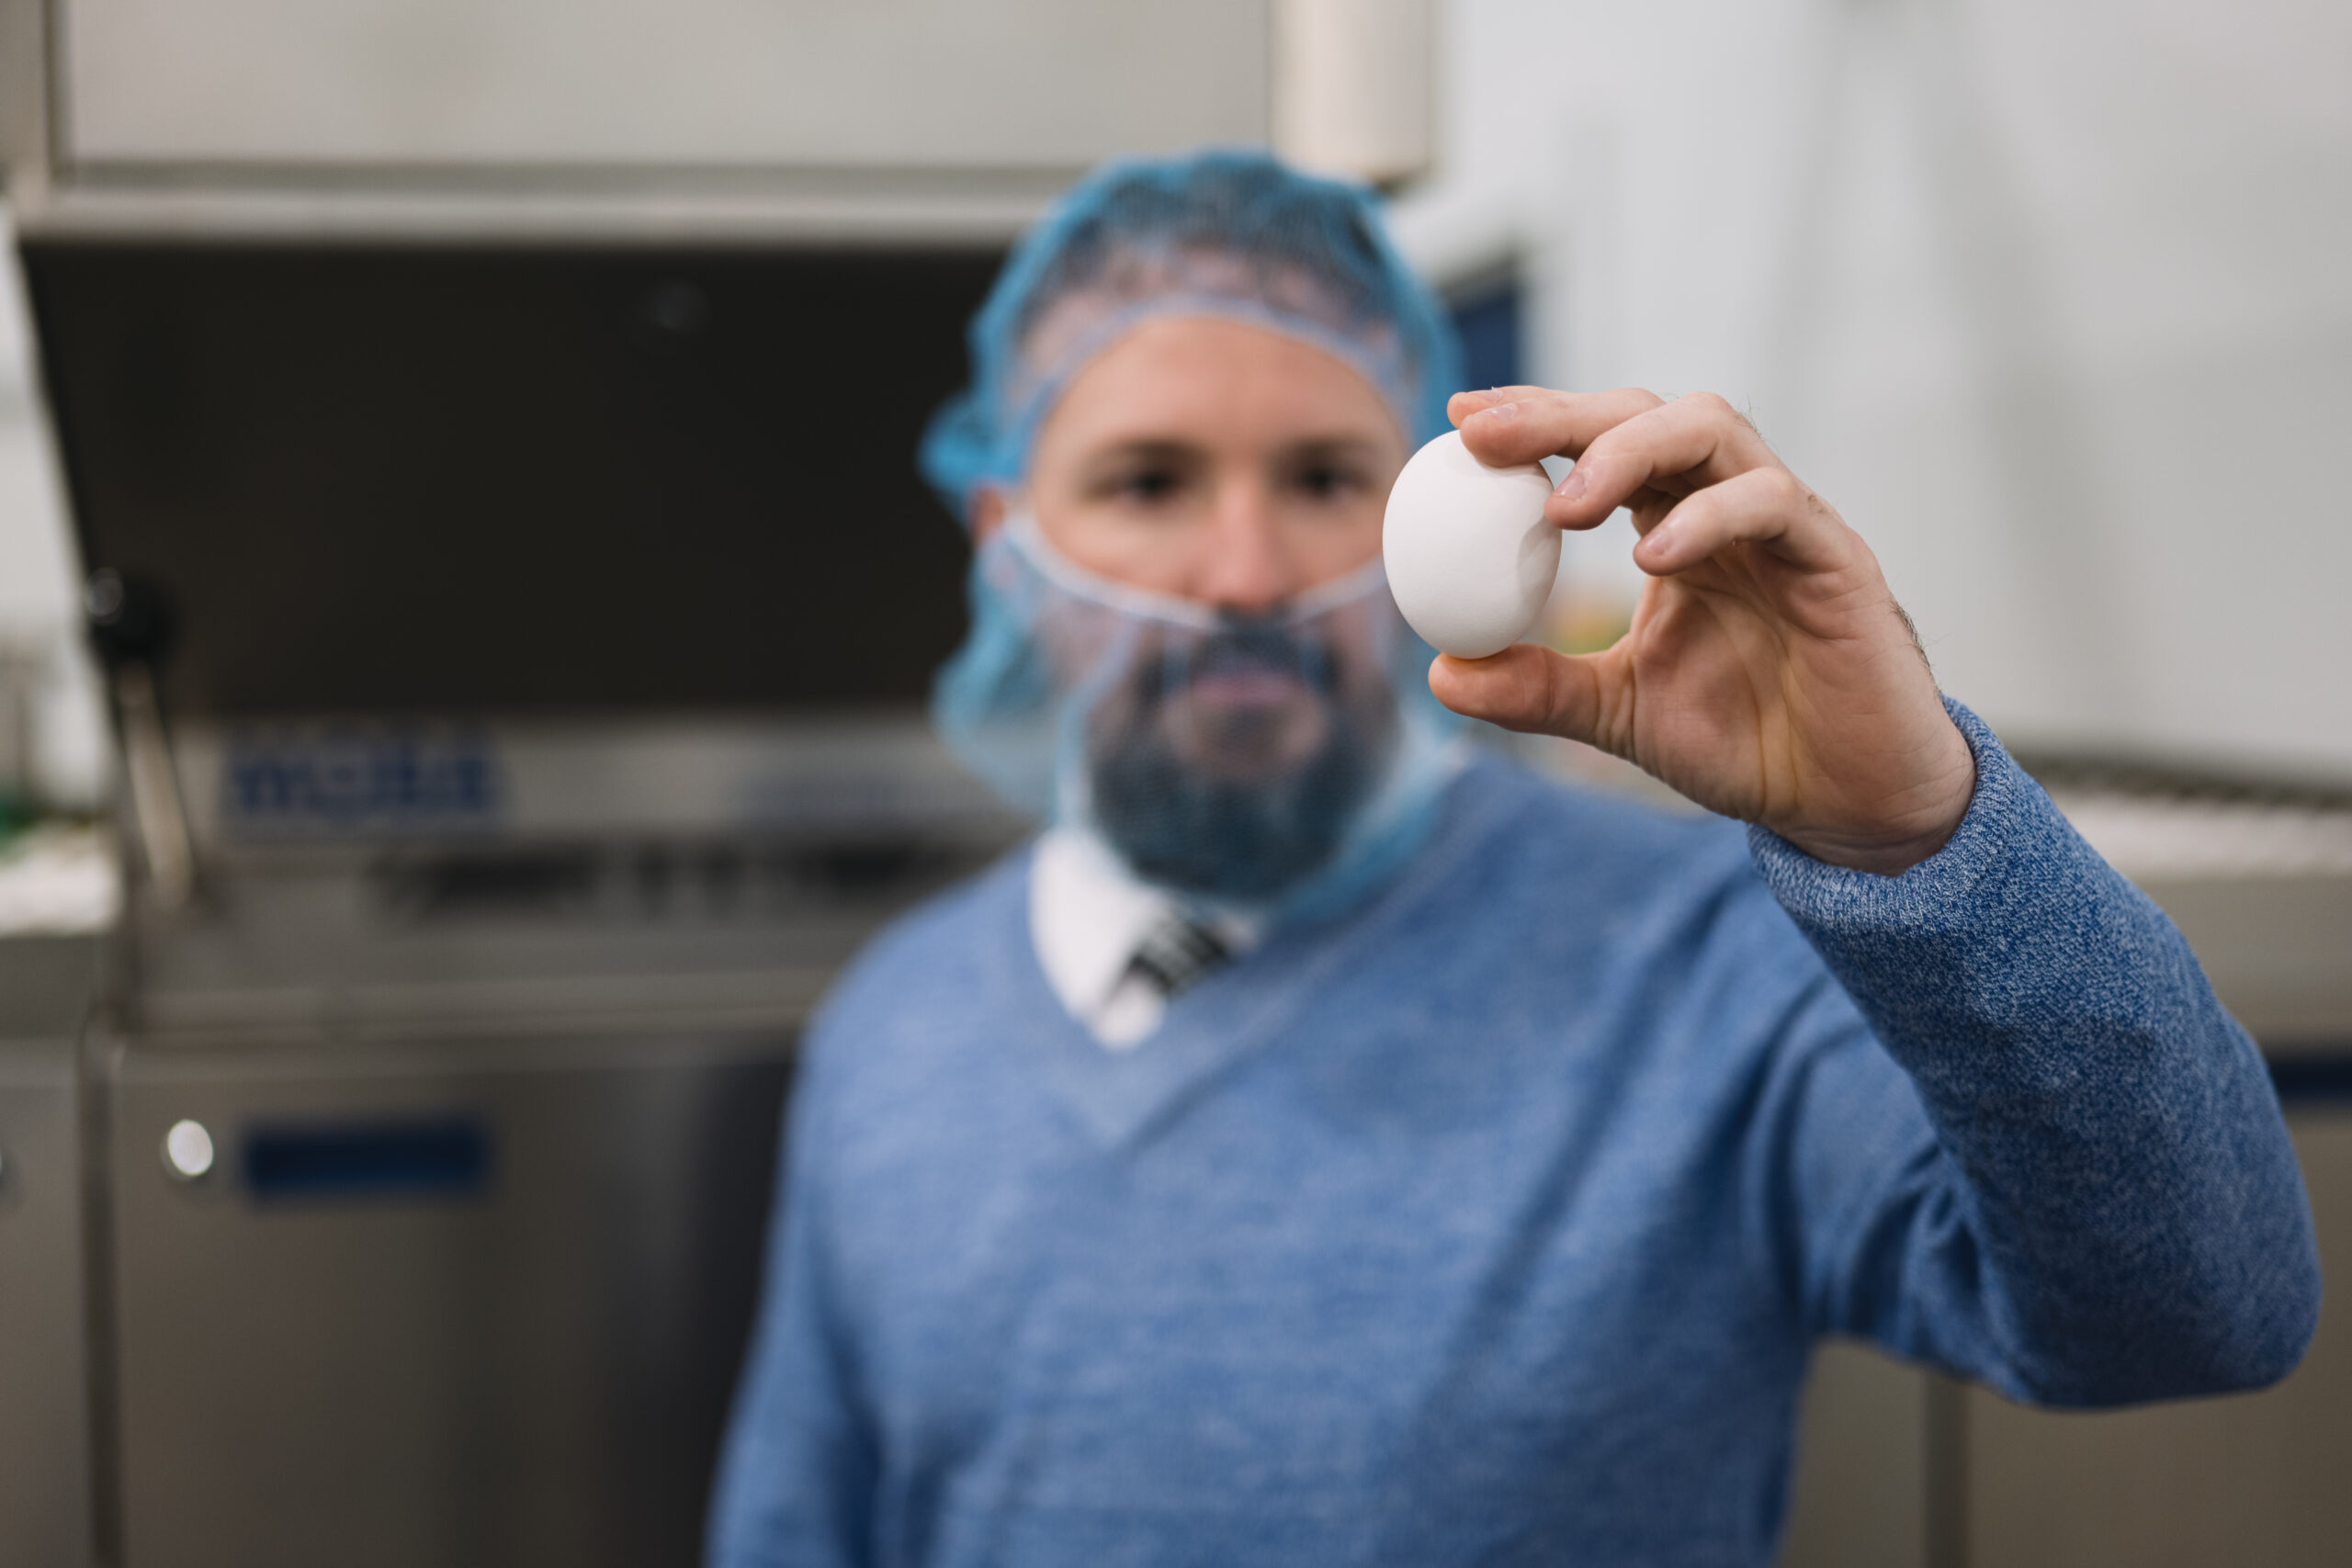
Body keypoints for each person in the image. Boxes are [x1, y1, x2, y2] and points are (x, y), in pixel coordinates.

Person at [707, 151, 2319, 1568]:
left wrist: (1915, 834)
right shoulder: (895, 1030)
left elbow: (2206, 1309)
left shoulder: (1704, 963)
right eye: (1148, 481)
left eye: (1326, 479)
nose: (1246, 573)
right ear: (1010, 549)